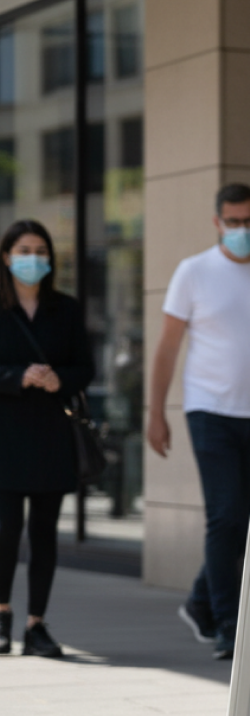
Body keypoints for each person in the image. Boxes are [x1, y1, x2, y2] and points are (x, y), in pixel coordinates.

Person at [147, 183, 250, 659]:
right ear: (217, 223)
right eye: (232, 222)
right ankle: (226, 620)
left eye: (249, 221)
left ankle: (199, 602)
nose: (242, 230)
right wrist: (157, 413)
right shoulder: (193, 272)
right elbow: (167, 346)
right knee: (226, 515)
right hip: (209, 411)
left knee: (247, 519)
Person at [0, 220, 94, 657]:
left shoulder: (66, 309)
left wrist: (60, 378)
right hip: (6, 435)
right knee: (5, 532)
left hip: (52, 434)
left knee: (44, 533)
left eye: (41, 251)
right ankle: (2, 617)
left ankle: (37, 624)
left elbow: (86, 367)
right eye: (24, 250)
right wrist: (19, 376)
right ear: (6, 255)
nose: (33, 258)